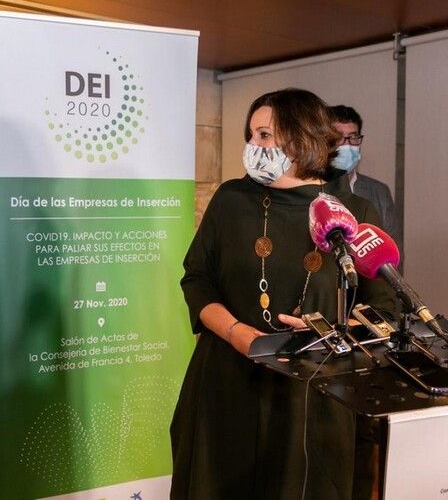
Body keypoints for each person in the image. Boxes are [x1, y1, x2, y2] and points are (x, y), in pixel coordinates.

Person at [170, 89, 397, 498]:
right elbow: (197, 279)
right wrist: (237, 333)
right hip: (226, 385)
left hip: (312, 394)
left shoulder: (355, 213)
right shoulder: (231, 200)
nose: (252, 145)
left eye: (264, 135)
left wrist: (330, 333)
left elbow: (383, 310)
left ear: (302, 137)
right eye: (251, 135)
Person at [329, 105, 403, 257]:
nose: (347, 146)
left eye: (353, 137)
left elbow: (394, 252)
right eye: (339, 138)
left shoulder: (379, 192)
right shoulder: (311, 189)